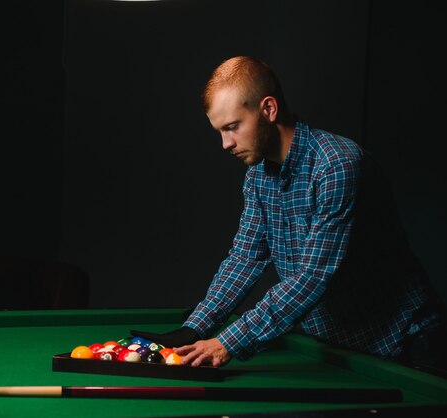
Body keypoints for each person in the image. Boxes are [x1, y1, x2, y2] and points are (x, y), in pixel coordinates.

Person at [131, 56, 446, 375]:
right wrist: (196, 328)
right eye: (220, 132)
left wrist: (228, 341)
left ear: (268, 109)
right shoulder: (257, 176)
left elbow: (313, 276)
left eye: (233, 127)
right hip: (336, 347)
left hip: (406, 342)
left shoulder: (337, 165)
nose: (226, 144)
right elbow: (245, 258)